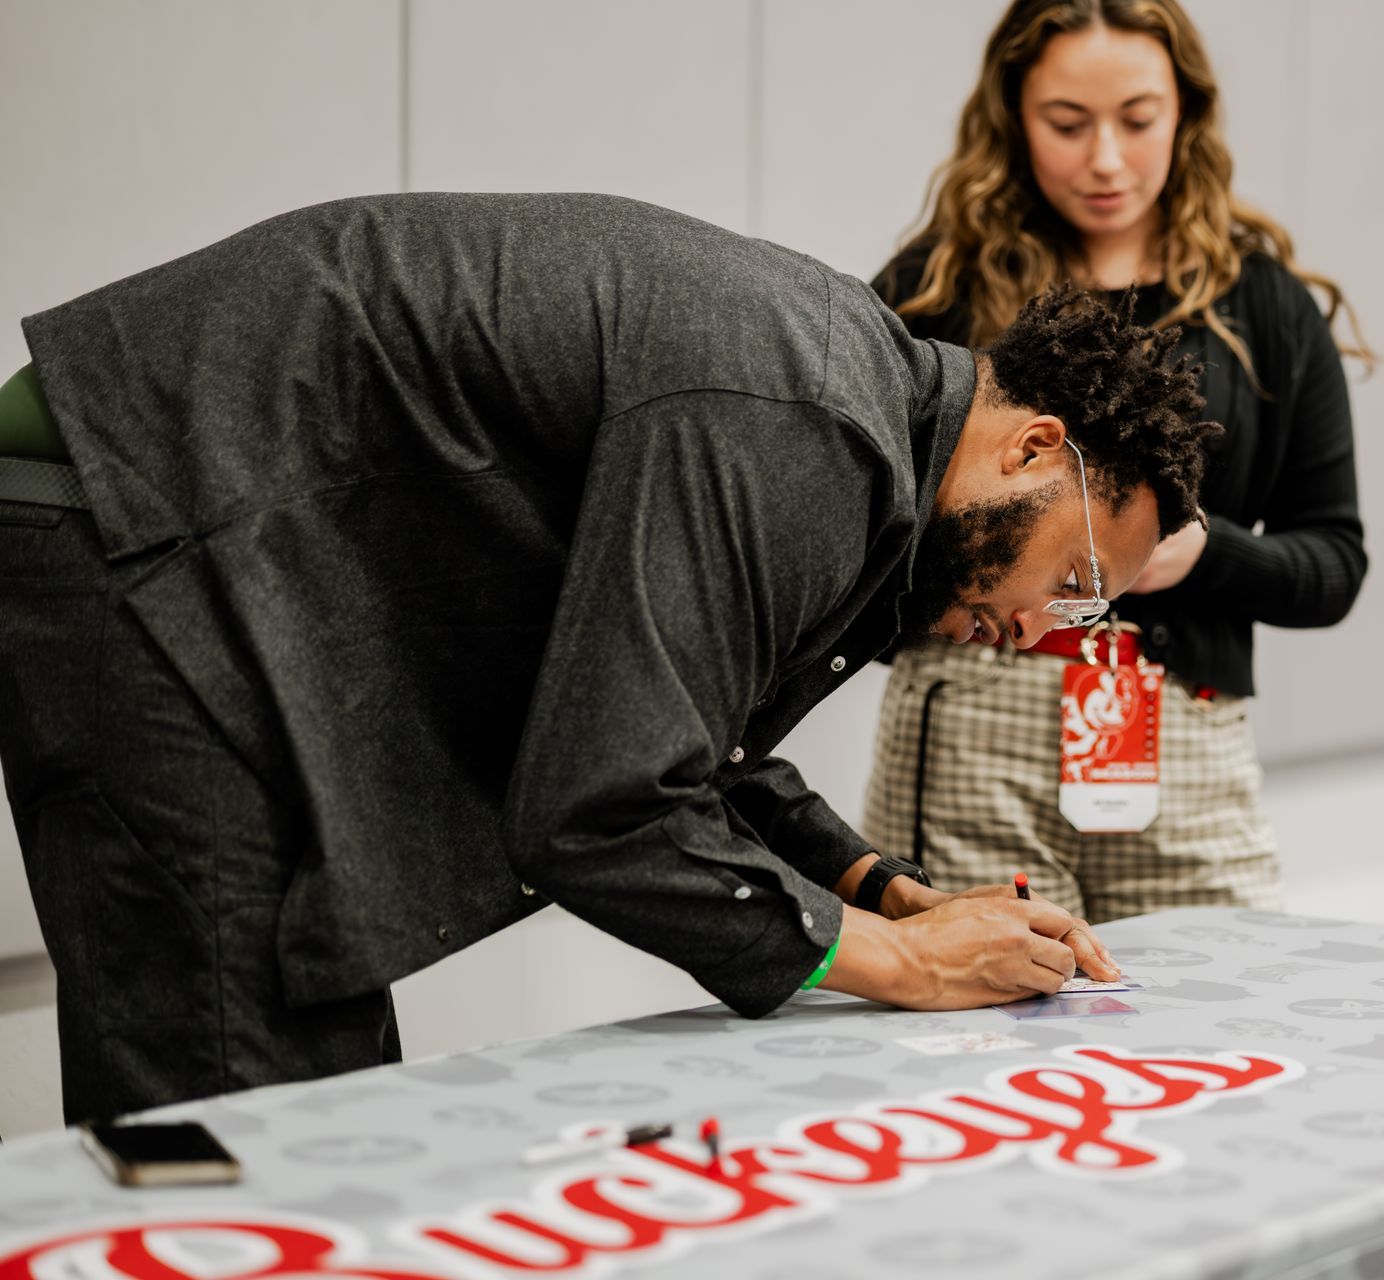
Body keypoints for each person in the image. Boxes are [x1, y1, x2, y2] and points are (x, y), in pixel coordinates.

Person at [0, 191, 1219, 1123]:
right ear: (1032, 447)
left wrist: (888, 892)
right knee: (239, 1115)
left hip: (191, 517)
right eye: (1074, 580)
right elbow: (600, 805)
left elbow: (675, 732)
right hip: (140, 505)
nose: (1046, 631)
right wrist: (904, 962)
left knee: (312, 1098)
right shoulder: (807, 422)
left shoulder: (852, 426)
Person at [862, 0, 1372, 923]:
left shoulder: (1266, 307)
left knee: (1222, 1001)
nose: (1105, 159)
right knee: (976, 1006)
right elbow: (857, 520)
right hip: (973, 721)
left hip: (1183, 734)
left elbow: (1335, 564)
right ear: (1013, 116)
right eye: (1067, 124)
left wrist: (1205, 554)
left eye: (1138, 121)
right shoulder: (937, 287)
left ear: (1187, 113)